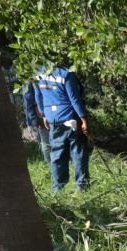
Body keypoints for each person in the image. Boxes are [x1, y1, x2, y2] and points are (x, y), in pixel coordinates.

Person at [32, 61, 92, 191]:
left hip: (53, 120)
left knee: (57, 154)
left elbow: (38, 96)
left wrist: (44, 115)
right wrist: (83, 119)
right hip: (70, 119)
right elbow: (74, 99)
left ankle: (58, 188)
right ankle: (83, 186)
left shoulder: (39, 74)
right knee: (78, 152)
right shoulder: (66, 74)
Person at [21, 79, 50, 164]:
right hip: (38, 116)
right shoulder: (28, 81)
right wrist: (34, 119)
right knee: (45, 142)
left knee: (45, 141)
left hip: (40, 114)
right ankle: (49, 163)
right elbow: (28, 102)